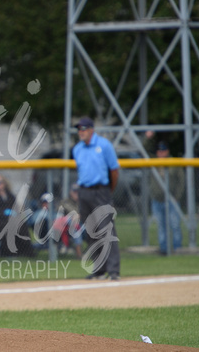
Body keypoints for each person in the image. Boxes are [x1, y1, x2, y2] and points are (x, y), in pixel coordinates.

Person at [72, 116, 120, 280]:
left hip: (101, 191)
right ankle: (99, 269)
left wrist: (109, 190)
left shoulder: (104, 145)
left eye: (84, 129)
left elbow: (114, 170)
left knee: (107, 230)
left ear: (92, 129)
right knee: (91, 232)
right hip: (84, 192)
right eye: (79, 129)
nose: (81, 132)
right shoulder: (77, 149)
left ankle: (113, 270)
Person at [149, 141, 184, 254]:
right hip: (157, 200)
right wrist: (148, 138)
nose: (161, 153)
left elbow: (181, 181)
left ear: (167, 151)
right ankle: (163, 249)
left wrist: (177, 196)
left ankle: (177, 248)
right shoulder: (153, 162)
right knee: (161, 226)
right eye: (159, 151)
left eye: (163, 151)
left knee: (175, 225)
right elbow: (142, 150)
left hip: (172, 200)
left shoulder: (174, 162)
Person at [52, 183, 83, 258]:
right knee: (73, 224)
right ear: (71, 192)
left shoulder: (82, 202)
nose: (76, 194)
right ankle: (79, 254)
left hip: (82, 224)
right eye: (74, 192)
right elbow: (69, 213)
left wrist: (79, 215)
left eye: (78, 192)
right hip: (67, 227)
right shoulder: (65, 201)